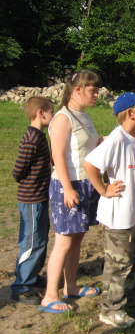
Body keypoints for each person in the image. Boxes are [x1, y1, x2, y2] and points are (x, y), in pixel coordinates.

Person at [83, 92, 135, 328]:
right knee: (118, 264)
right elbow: (90, 164)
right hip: (119, 216)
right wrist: (104, 189)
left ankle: (132, 292)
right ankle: (111, 309)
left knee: (132, 257)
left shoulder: (132, 135)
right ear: (131, 113)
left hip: (134, 210)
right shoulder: (117, 138)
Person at [39, 70, 103, 314]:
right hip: (69, 185)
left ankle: (71, 287)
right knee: (64, 241)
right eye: (92, 90)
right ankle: (49, 296)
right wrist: (67, 188)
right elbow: (58, 156)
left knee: (77, 238)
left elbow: (88, 145)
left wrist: (105, 142)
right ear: (77, 90)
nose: (96, 94)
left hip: (85, 184)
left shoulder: (83, 115)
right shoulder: (63, 118)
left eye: (97, 90)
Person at [11, 96, 54, 305]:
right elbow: (18, 170)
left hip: (40, 197)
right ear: (41, 113)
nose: (52, 116)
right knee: (32, 241)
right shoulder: (32, 138)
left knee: (40, 239)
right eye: (51, 112)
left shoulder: (39, 136)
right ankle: (21, 286)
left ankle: (32, 275)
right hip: (31, 199)